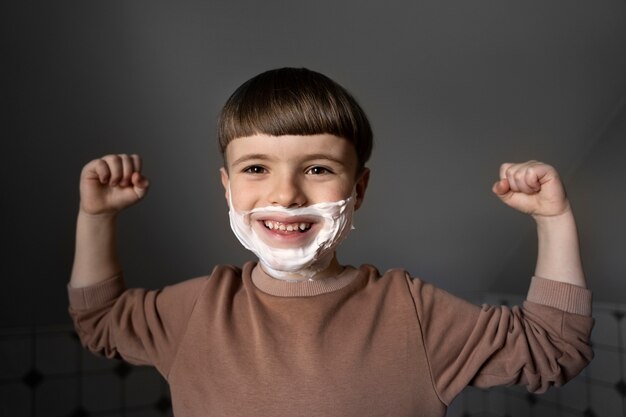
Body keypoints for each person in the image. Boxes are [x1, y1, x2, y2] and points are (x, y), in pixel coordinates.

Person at [68, 67, 593, 417]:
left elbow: (554, 350)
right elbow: (99, 322)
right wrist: (96, 218)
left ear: (358, 189)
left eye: (317, 169)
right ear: (227, 188)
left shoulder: (409, 314)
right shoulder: (193, 314)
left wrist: (555, 219)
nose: (287, 194)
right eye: (256, 168)